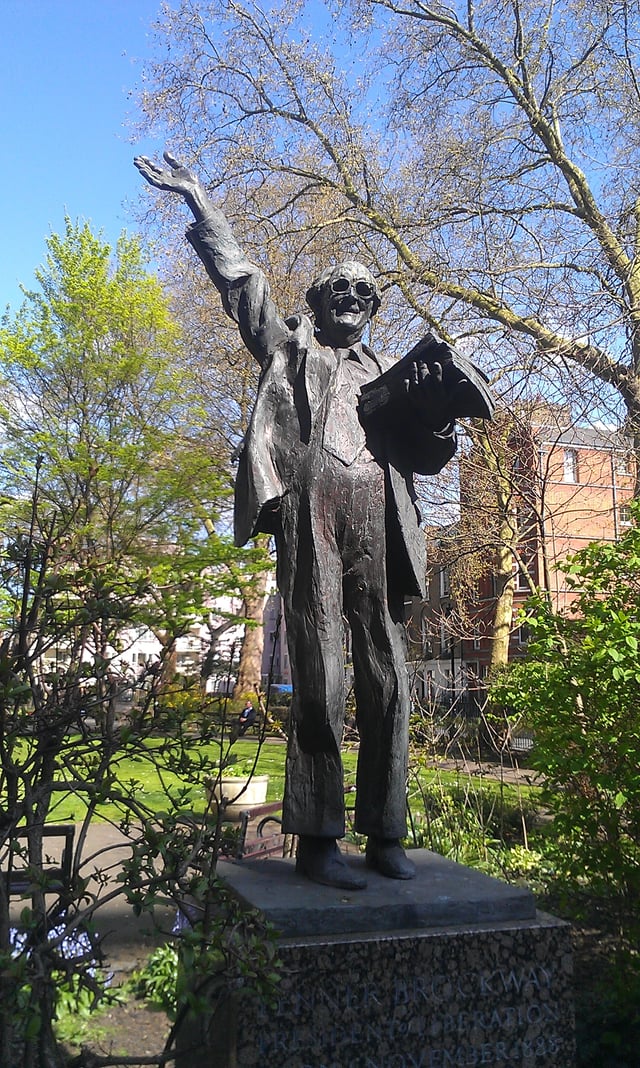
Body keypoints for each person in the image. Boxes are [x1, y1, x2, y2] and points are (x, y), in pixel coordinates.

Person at [134, 152, 490, 890]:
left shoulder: (390, 370)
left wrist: (443, 418)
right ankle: (320, 841)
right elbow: (242, 286)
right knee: (322, 678)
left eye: (364, 290)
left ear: (374, 306)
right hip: (312, 521)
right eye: (339, 289)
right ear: (318, 300)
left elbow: (425, 459)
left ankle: (387, 832)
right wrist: (201, 205)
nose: (352, 297)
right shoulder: (290, 349)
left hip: (380, 532)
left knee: (388, 679)